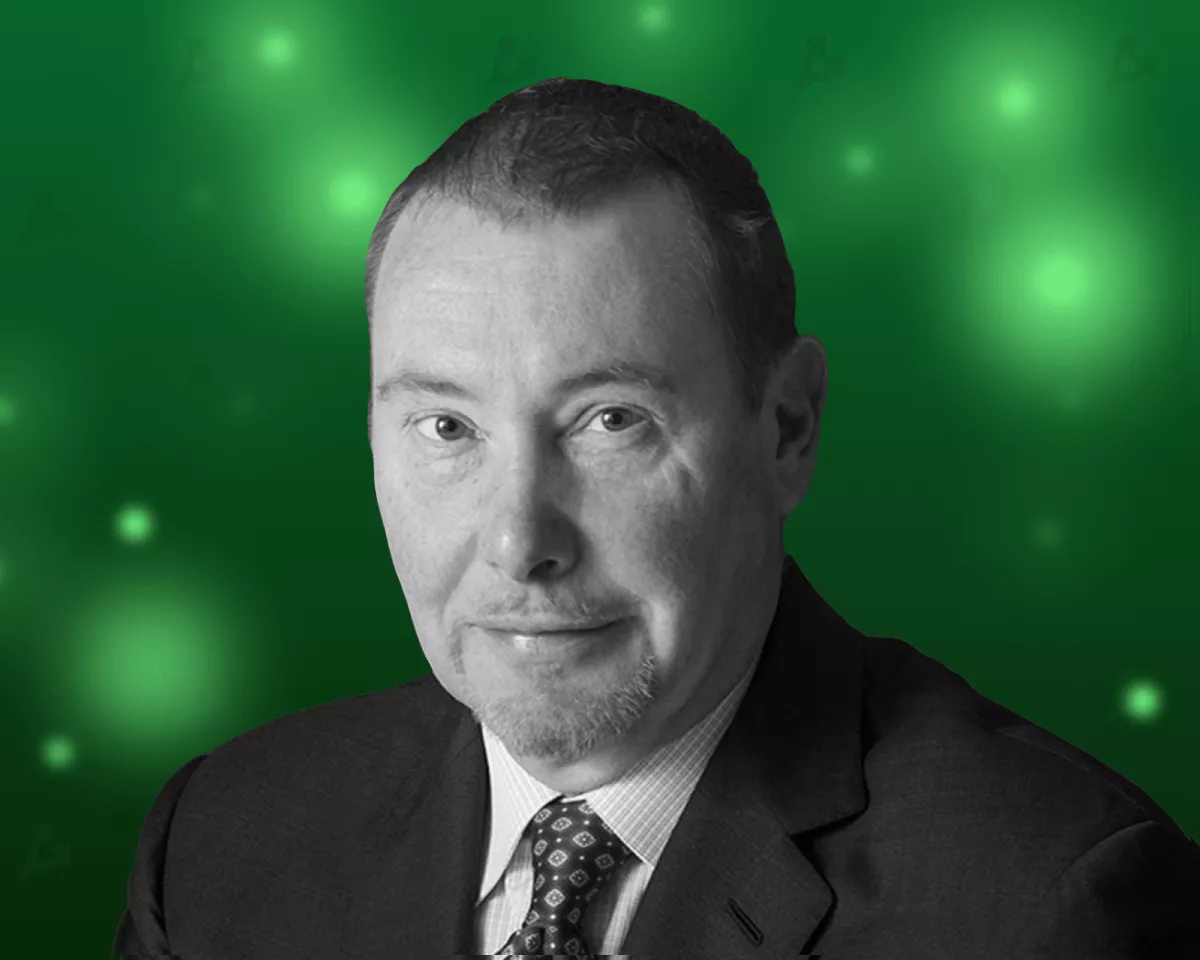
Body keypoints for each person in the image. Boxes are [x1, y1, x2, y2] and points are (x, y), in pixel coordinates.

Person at [112, 78, 1199, 959]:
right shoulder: (221, 850)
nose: (518, 543)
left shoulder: (1043, 907)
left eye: (610, 421)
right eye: (446, 427)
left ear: (787, 428)